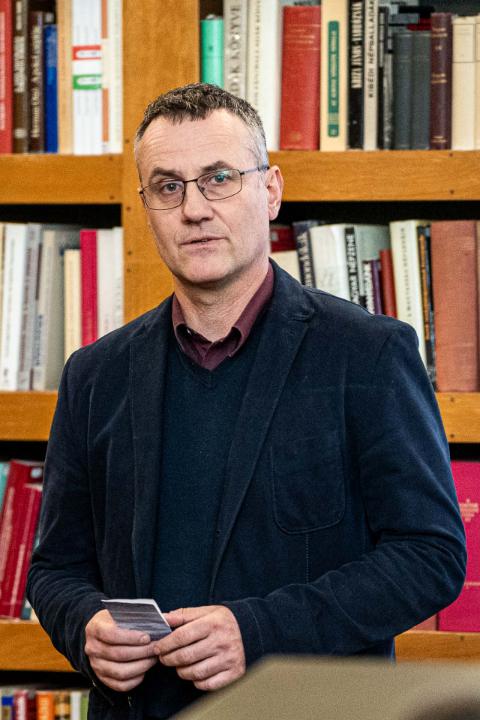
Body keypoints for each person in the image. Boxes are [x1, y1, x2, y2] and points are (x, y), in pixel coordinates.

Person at [27, 83, 466, 720]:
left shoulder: (369, 354)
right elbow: (55, 569)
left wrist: (259, 633)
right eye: (168, 186)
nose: (194, 209)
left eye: (219, 178)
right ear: (147, 207)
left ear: (271, 190)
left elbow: (431, 557)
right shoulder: (95, 375)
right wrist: (84, 626)